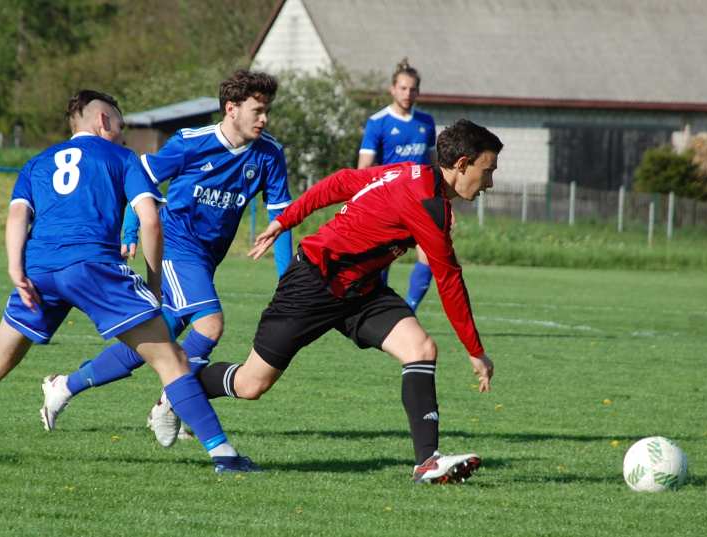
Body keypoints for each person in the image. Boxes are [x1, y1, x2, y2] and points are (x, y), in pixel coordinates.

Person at [0, 90, 257, 473]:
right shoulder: (122, 158)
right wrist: (154, 286)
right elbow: (151, 220)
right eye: (121, 125)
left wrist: (14, 269)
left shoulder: (37, 163)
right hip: (93, 266)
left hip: (39, 271)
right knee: (172, 360)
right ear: (103, 121)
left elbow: (16, 219)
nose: (124, 134)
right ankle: (224, 457)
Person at [187, 119, 501, 484]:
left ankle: (427, 462)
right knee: (251, 385)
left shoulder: (414, 175)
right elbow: (448, 279)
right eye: (487, 170)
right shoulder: (426, 202)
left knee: (421, 348)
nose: (490, 183)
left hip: (360, 291)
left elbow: (341, 182)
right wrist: (475, 351)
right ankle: (180, 387)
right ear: (462, 164)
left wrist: (287, 220)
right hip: (314, 282)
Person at [39, 70, 293, 447]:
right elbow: (139, 179)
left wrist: (288, 281)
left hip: (208, 258)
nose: (264, 118)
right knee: (210, 324)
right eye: (257, 109)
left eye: (267, 110)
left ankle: (65, 385)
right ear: (231, 108)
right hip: (177, 245)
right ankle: (171, 401)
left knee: (156, 340)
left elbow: (281, 219)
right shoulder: (191, 143)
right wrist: (129, 231)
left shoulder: (269, 154)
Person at [357, 58, 437, 312]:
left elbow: (434, 165)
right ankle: (378, 309)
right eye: (403, 88)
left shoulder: (426, 122)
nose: (407, 93)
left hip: (421, 203)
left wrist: (442, 202)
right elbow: (364, 168)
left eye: (412, 89)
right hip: (389, 202)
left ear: (418, 91)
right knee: (383, 258)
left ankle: (408, 309)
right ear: (393, 89)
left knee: (430, 256)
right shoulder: (378, 122)